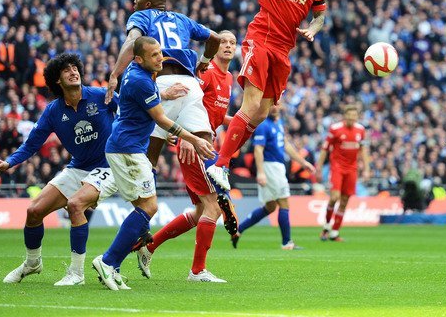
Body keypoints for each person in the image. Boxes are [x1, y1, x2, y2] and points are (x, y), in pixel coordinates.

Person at [188, 0, 327, 192]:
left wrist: (314, 28)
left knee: (263, 113)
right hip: (259, 40)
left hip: (283, 49)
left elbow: (320, 14)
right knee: (249, 106)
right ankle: (221, 164)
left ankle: (222, 162)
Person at [93, 37, 215, 291]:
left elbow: (143, 110)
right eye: (154, 55)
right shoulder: (140, 80)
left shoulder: (137, 74)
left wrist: (163, 94)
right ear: (139, 59)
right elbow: (161, 119)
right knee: (149, 207)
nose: (161, 58)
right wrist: (193, 139)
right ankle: (108, 261)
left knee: (142, 207)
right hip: (128, 149)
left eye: (161, 53)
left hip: (125, 146)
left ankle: (112, 263)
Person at [0, 53, 119, 287]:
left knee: (75, 205)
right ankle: (32, 263)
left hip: (108, 166)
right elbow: (32, 143)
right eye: (67, 70)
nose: (73, 71)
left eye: (75, 67)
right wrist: (9, 162)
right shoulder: (53, 111)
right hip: (78, 168)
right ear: (57, 80)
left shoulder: (101, 96)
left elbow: (131, 112)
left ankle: (76, 274)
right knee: (33, 212)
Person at [134, 30, 237, 282]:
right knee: (214, 206)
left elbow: (212, 112)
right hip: (196, 144)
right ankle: (197, 271)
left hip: (204, 142)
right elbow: (184, 99)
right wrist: (184, 135)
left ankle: (149, 246)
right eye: (223, 41)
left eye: (233, 43)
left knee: (201, 210)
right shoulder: (207, 72)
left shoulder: (229, 78)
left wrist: (237, 122)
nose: (227, 46)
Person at [231, 104, 315, 250]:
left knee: (270, 207)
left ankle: (238, 230)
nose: (274, 107)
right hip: (271, 168)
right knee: (284, 203)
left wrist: (302, 162)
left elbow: (286, 146)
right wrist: (261, 172)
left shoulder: (279, 123)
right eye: (271, 105)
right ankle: (287, 243)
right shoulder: (264, 126)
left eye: (276, 104)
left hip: (275, 167)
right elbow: (258, 149)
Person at [316, 104, 370, 242]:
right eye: (350, 115)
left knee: (345, 200)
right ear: (345, 116)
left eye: (354, 115)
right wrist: (319, 168)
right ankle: (326, 226)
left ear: (357, 117)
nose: (352, 118)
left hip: (352, 169)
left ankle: (335, 232)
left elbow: (363, 150)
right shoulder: (335, 129)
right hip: (337, 168)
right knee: (334, 197)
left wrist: (367, 169)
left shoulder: (361, 130)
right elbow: (325, 148)